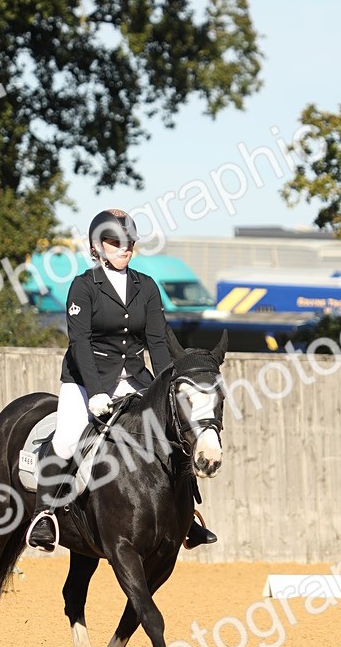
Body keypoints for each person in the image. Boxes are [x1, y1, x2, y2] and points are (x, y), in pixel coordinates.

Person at [26, 207, 218, 552]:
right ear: (96, 247)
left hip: (135, 378)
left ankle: (188, 518)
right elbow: (79, 343)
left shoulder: (146, 286)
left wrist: (166, 386)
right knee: (69, 438)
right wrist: (95, 392)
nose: (123, 247)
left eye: (128, 241)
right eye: (114, 242)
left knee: (170, 433)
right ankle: (44, 515)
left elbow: (158, 342)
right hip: (85, 380)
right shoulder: (83, 286)